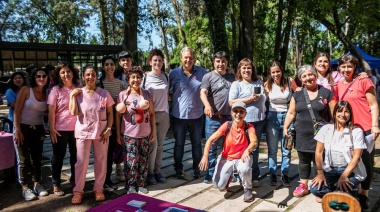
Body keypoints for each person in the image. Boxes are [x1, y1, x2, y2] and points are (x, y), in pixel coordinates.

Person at [335, 54, 379, 210]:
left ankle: (364, 195)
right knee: (351, 161)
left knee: (365, 162)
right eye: (343, 66)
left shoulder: (363, 80)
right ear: (339, 68)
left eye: (349, 66)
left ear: (355, 68)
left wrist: (374, 126)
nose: (346, 69)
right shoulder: (338, 84)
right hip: (348, 130)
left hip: (365, 128)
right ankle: (352, 190)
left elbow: (373, 105)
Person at [283, 64, 335, 198]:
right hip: (302, 133)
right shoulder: (297, 94)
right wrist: (285, 127)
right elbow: (291, 112)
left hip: (321, 135)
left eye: (310, 74)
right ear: (301, 79)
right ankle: (304, 185)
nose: (308, 78)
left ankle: (318, 185)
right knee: (303, 160)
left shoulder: (326, 93)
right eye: (304, 76)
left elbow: (334, 114)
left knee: (319, 159)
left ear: (315, 75)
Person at [69, 64, 114, 204]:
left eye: (93, 74)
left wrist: (108, 128)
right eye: (87, 74)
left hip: (101, 132)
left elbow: (110, 112)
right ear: (83, 77)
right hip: (83, 131)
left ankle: (98, 188)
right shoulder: (78, 93)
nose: (90, 77)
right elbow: (73, 112)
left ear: (96, 76)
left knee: (101, 160)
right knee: (81, 162)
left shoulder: (104, 93)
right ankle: (78, 191)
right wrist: (71, 96)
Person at [198, 102, 258, 202]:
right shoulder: (227, 125)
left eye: (241, 111)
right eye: (235, 111)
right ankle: (228, 177)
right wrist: (205, 156)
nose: (238, 114)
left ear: (245, 114)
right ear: (231, 113)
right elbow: (210, 140)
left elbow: (254, 141)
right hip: (226, 157)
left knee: (244, 169)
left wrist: (247, 150)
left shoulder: (249, 127)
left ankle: (247, 188)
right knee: (218, 185)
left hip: (242, 157)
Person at [310, 101, 366, 203]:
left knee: (344, 193)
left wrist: (344, 176)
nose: (343, 115)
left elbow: (357, 157)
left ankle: (347, 191)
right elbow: (318, 151)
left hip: (350, 170)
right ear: (334, 113)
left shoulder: (356, 132)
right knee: (314, 189)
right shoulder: (326, 129)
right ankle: (337, 191)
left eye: (346, 112)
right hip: (331, 169)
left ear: (350, 114)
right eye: (340, 111)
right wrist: (320, 172)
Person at [169, 47, 207, 179]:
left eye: (190, 57)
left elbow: (212, 82)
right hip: (178, 116)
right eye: (186, 57)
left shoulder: (202, 72)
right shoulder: (173, 74)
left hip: (197, 115)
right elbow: (167, 91)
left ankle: (197, 169)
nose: (188, 60)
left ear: (194, 57)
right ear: (181, 58)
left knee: (196, 144)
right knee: (179, 144)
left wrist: (229, 73)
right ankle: (178, 169)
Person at [116, 68, 155, 194]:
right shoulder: (123, 95)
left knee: (143, 160)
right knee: (130, 161)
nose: (136, 80)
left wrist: (153, 131)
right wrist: (118, 133)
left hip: (145, 133)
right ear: (128, 79)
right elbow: (118, 116)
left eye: (138, 77)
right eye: (133, 77)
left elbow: (152, 114)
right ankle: (131, 185)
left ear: (141, 79)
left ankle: (141, 183)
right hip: (129, 134)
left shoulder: (147, 94)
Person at [228, 58, 266, 187]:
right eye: (243, 68)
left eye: (249, 68)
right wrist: (250, 99)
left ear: (252, 70)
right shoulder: (236, 84)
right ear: (240, 70)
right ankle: (240, 174)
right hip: (243, 122)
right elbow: (231, 102)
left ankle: (254, 175)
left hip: (259, 121)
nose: (246, 70)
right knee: (241, 149)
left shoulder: (259, 82)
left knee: (254, 150)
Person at [13, 67, 49, 201]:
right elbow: (17, 110)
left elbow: (46, 111)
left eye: (44, 76)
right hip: (22, 127)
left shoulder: (47, 93)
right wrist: (17, 130)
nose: (41, 78)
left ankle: (37, 184)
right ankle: (24, 187)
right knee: (23, 159)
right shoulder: (25, 90)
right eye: (38, 76)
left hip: (38, 128)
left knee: (37, 158)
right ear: (33, 78)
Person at [200, 51, 235, 183]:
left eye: (223, 61)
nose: (221, 64)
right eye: (218, 61)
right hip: (213, 118)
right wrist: (207, 105)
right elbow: (203, 93)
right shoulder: (208, 77)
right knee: (211, 146)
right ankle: (210, 173)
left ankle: (229, 172)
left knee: (229, 146)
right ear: (214, 62)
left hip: (229, 118)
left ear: (226, 62)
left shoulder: (232, 76)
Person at [47, 62, 80, 196]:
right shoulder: (55, 90)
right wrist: (52, 129)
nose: (66, 75)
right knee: (58, 157)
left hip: (77, 128)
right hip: (60, 129)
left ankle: (74, 179)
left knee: (76, 157)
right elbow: (51, 111)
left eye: (68, 71)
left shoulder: (79, 88)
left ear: (73, 73)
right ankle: (56, 183)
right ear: (59, 75)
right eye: (62, 72)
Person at [264, 60, 298, 187]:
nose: (276, 74)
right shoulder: (267, 84)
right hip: (272, 117)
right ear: (270, 73)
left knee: (287, 149)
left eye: (278, 71)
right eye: (273, 72)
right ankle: (273, 173)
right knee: (272, 149)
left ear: (281, 71)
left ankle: (285, 174)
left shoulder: (289, 82)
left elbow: (300, 90)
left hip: (288, 117)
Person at [98, 55, 126, 190]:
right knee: (105, 153)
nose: (110, 67)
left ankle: (110, 176)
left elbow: (127, 97)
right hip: (103, 124)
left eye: (112, 64)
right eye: (107, 64)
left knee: (115, 150)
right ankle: (104, 179)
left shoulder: (120, 83)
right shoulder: (99, 82)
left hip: (117, 123)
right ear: (103, 67)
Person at [143, 49, 170, 185]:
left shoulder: (166, 76)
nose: (158, 63)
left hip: (164, 114)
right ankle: (150, 173)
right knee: (152, 145)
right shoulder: (145, 77)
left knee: (161, 145)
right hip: (150, 115)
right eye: (155, 60)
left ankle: (158, 171)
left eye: (160, 60)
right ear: (150, 62)